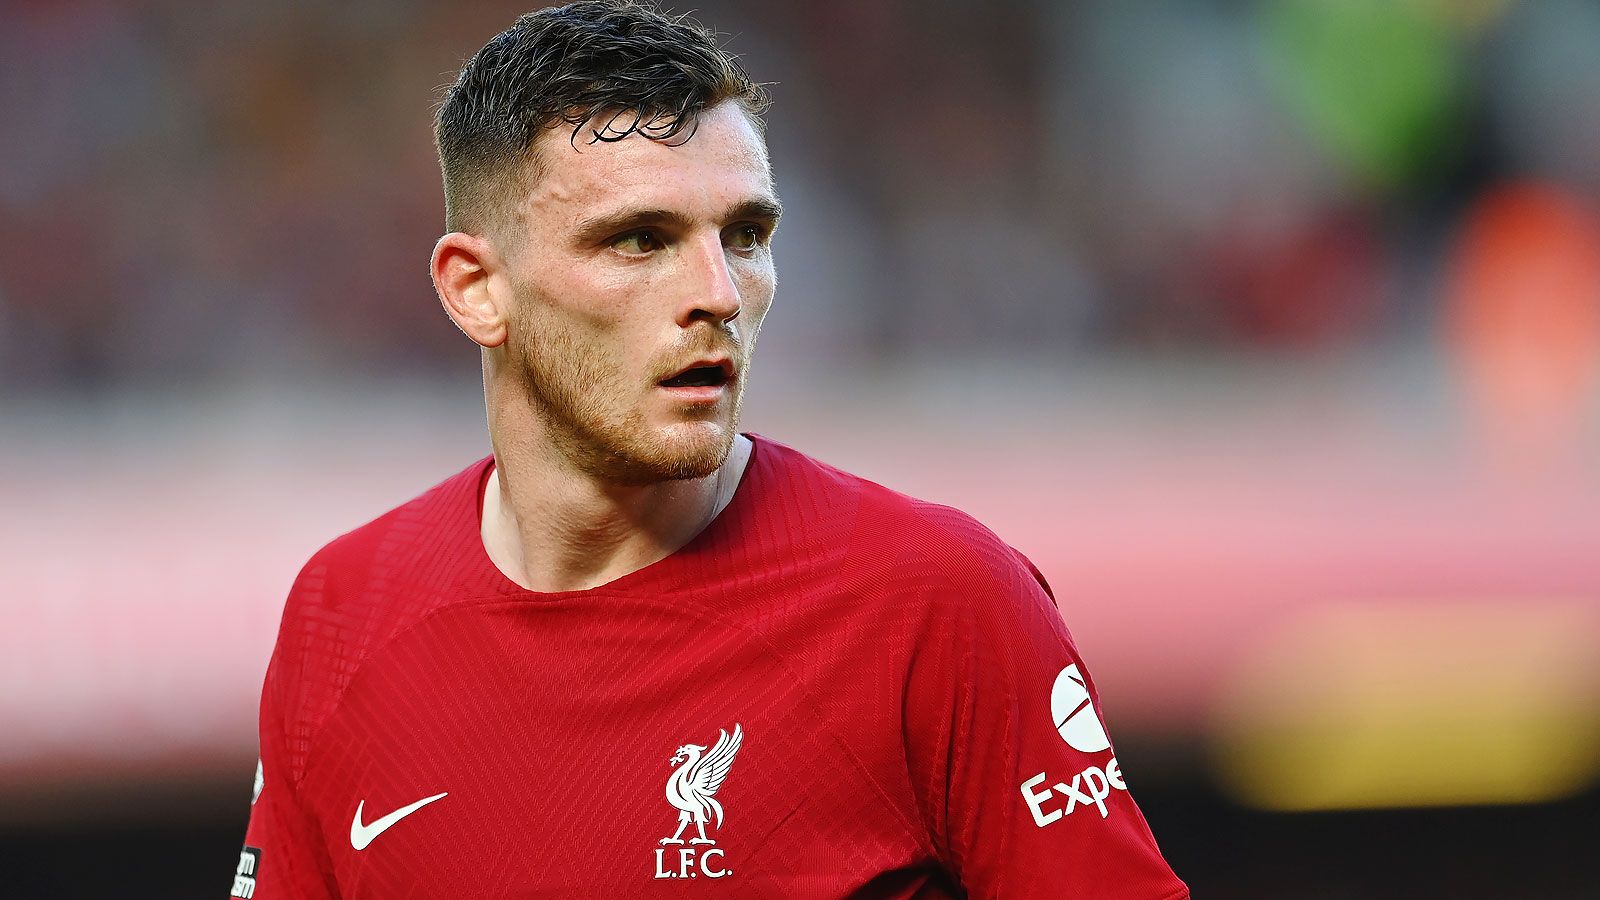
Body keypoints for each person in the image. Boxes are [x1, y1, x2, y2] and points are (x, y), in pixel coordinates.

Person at [231, 2, 1188, 897]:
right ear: (477, 289)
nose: (719, 293)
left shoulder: (935, 601)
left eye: (745, 234)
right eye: (639, 240)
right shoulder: (341, 618)